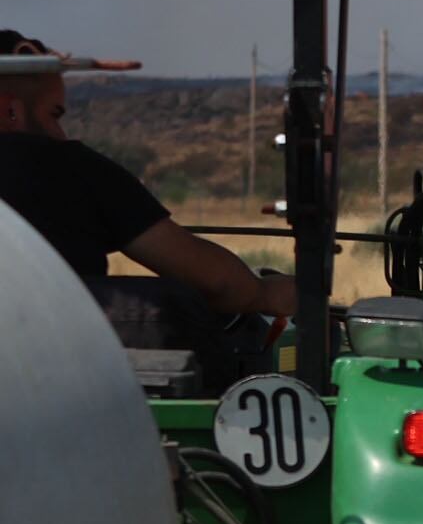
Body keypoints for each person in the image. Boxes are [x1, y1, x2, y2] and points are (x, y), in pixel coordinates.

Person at [0, 31, 296, 324]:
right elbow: (217, 283)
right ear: (10, 111)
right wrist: (265, 293)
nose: (59, 134)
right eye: (54, 114)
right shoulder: (62, 165)